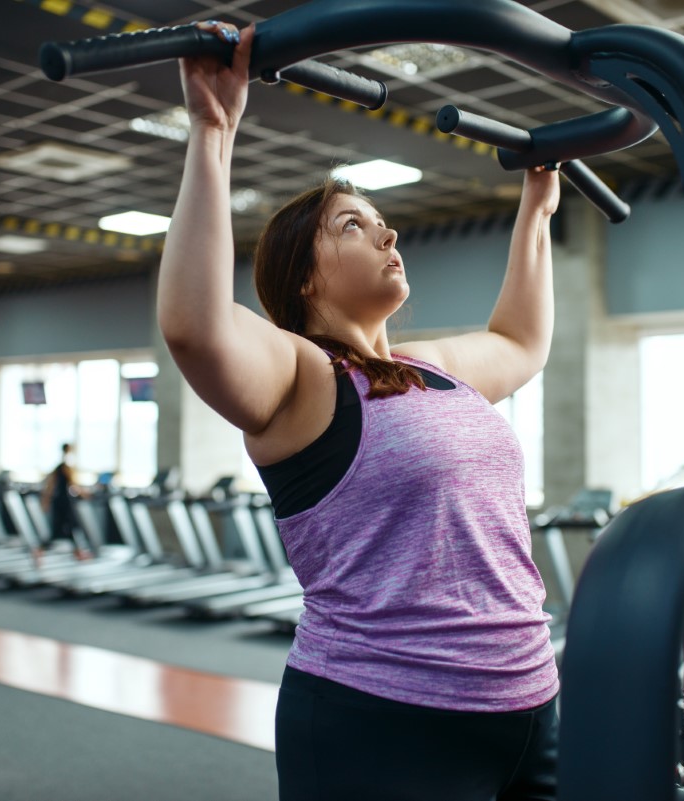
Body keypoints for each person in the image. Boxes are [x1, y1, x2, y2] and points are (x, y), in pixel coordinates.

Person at [159, 21, 561, 801]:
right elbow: (193, 327)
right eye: (354, 224)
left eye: (382, 219)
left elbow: (520, 340)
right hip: (385, 717)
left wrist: (536, 210)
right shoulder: (302, 375)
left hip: (528, 701)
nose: (387, 230)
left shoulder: (430, 370)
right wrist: (213, 131)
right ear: (303, 280)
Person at [39, 442, 91, 562]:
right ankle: (77, 552)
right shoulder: (66, 467)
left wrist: (46, 501)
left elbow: (50, 486)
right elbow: (74, 484)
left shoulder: (59, 467)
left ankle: (76, 551)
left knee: (61, 529)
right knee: (72, 526)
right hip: (65, 502)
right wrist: (86, 495)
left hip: (58, 501)